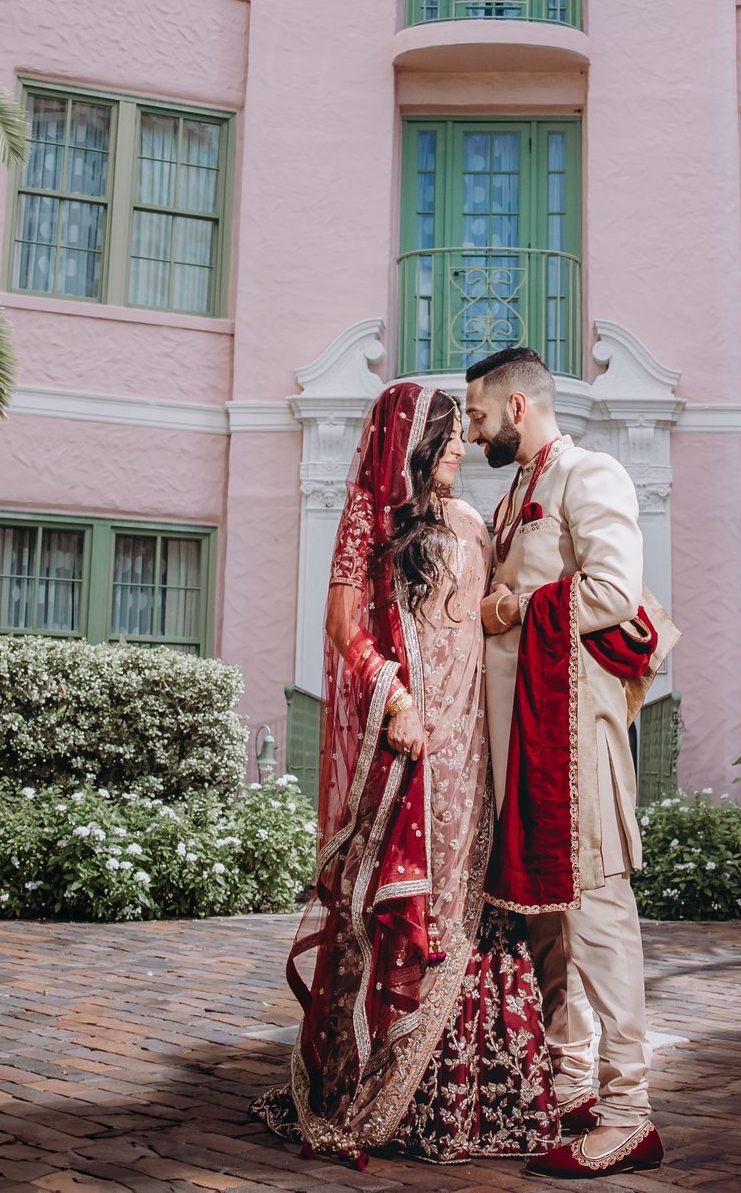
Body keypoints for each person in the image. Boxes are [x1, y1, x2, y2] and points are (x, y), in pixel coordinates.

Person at [254, 382, 560, 1165]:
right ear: (415, 441)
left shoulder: (474, 522)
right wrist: (393, 700)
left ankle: (459, 1098)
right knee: (406, 907)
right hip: (414, 746)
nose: (461, 446)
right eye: (449, 435)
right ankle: (378, 1085)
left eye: (464, 432)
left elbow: (499, 610)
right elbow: (343, 628)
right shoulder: (375, 519)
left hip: (475, 744)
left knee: (475, 911)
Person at [467, 346, 667, 1179]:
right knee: (546, 923)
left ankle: (630, 1111)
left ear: (518, 406)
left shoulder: (592, 473)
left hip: (573, 745)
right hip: (523, 750)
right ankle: (574, 1087)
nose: (472, 428)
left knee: (596, 917)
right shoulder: (515, 494)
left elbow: (617, 589)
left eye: (478, 414)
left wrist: (518, 605)